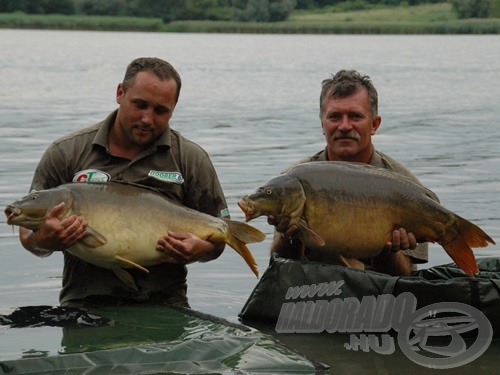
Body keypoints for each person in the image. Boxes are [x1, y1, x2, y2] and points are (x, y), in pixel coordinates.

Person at [18, 57, 229, 308]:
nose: (147, 119)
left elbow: (219, 237)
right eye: (139, 105)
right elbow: (28, 234)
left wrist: (201, 250)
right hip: (84, 303)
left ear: (174, 108)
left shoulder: (191, 160)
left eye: (161, 111)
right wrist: (44, 240)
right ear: (120, 93)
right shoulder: (67, 152)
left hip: (165, 304)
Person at [269, 69, 439, 276]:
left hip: (379, 297)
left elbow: (404, 279)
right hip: (309, 294)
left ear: (374, 124)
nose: (344, 126)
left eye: (355, 116)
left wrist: (386, 248)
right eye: (334, 117)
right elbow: (279, 268)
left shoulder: (404, 185)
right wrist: (290, 236)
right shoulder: (294, 181)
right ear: (323, 124)